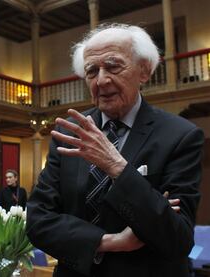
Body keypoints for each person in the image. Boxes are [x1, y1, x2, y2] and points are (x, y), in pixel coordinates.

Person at [26, 23, 204, 277]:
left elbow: (178, 237)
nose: (101, 79)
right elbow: (38, 221)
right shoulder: (69, 133)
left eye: (113, 66)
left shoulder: (181, 136)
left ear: (144, 71)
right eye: (91, 71)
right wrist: (110, 242)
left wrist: (117, 168)